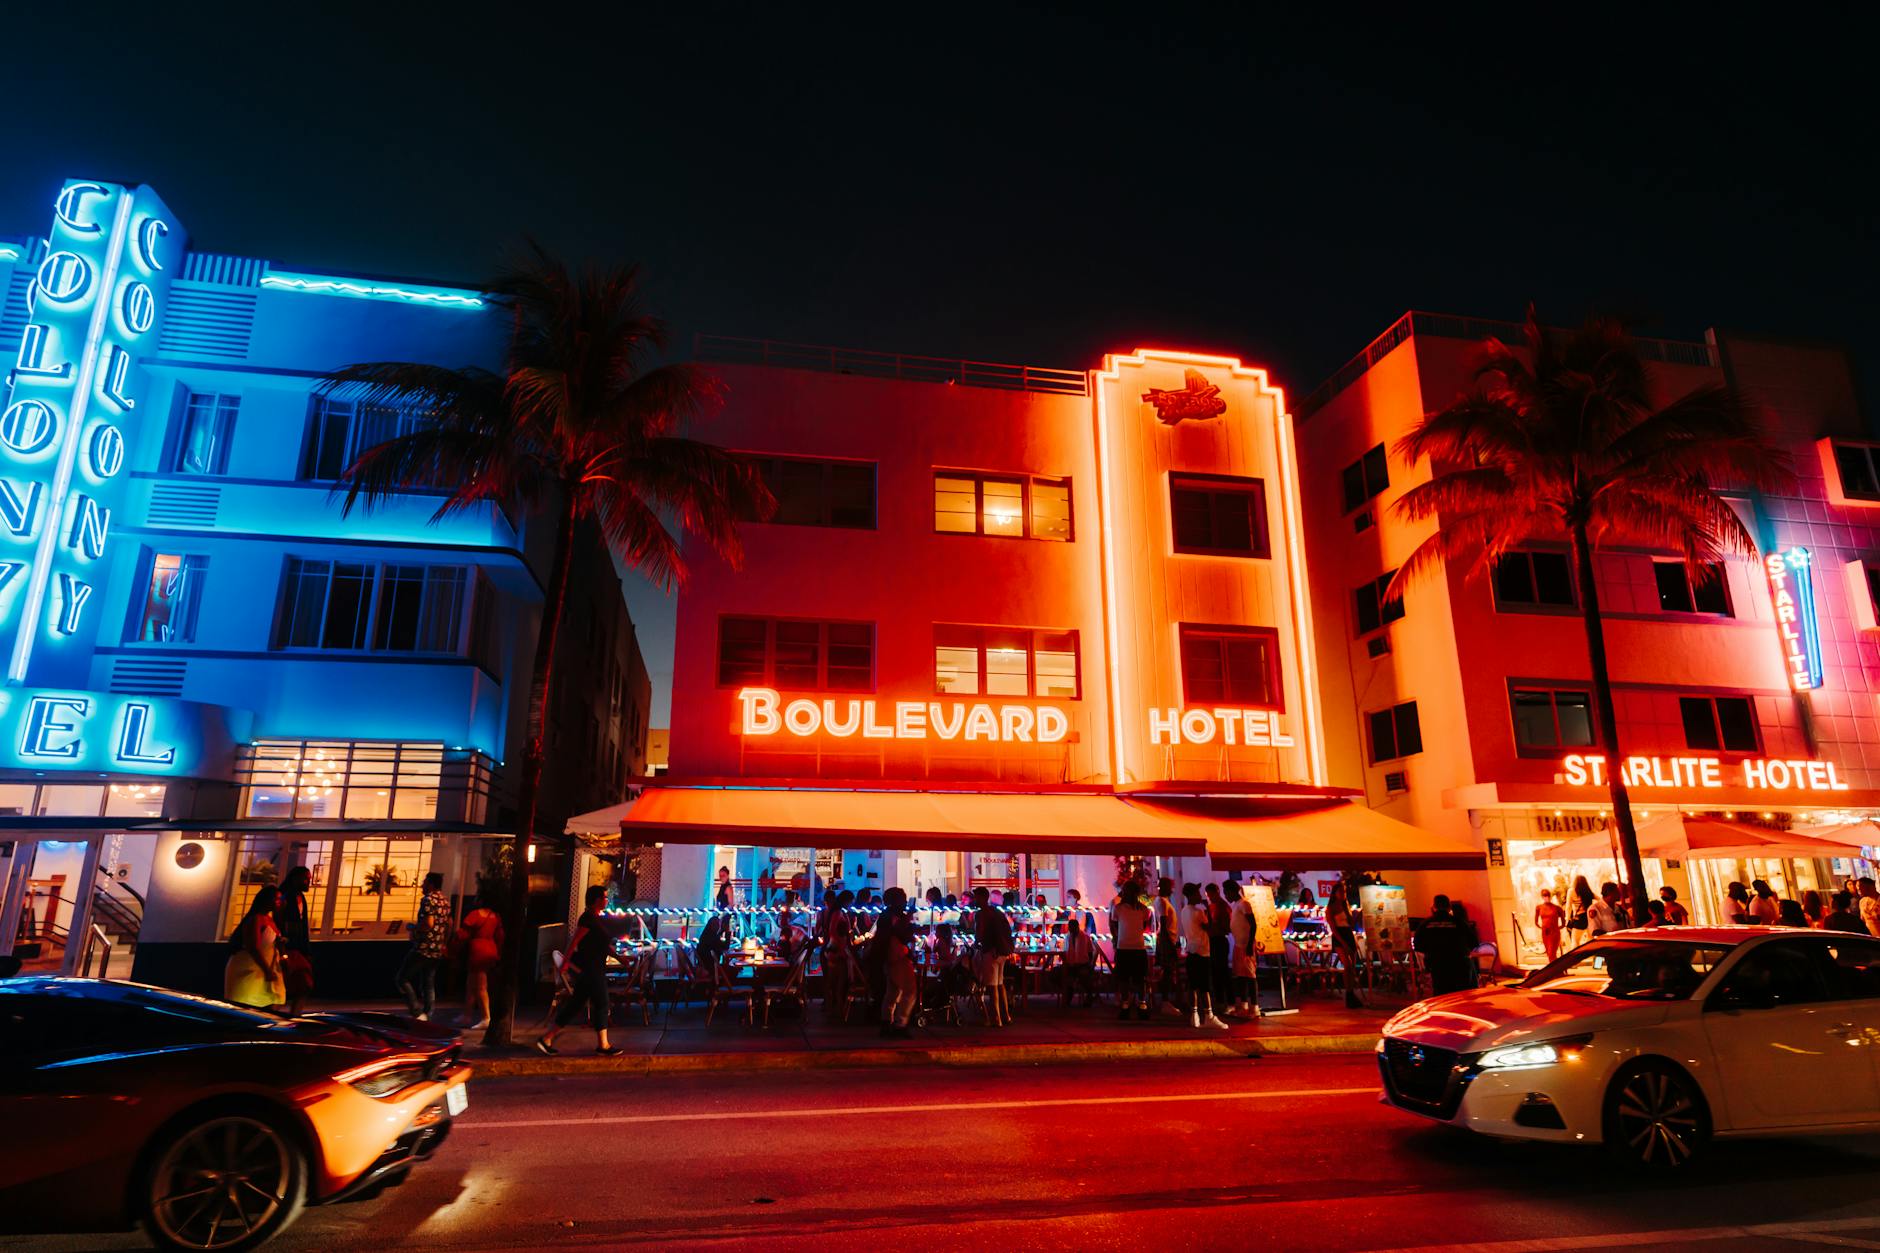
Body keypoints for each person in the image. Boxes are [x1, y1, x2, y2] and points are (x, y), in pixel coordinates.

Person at [538, 885, 620, 1056]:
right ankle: (603, 1045)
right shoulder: (588, 919)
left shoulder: (596, 918)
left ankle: (547, 1038)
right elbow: (575, 941)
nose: (606, 900)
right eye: (604, 897)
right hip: (591, 969)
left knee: (575, 1005)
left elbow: (604, 946)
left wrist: (622, 959)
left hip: (593, 969)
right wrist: (566, 963)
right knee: (602, 1003)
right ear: (597, 900)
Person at [396, 872, 450, 1020]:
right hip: (437, 949)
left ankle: (416, 1011)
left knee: (402, 979)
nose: (422, 884)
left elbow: (428, 924)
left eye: (424, 882)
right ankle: (428, 1013)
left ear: (431, 884)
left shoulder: (428, 900)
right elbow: (449, 924)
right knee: (428, 982)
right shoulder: (445, 901)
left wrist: (412, 927)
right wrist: (444, 943)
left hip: (424, 947)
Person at [867, 886, 918, 1038]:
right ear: (896, 900)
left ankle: (886, 1022)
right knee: (910, 990)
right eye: (902, 898)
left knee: (892, 992)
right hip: (897, 956)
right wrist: (908, 918)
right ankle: (900, 1024)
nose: (904, 902)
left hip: (889, 957)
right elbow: (901, 933)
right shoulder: (894, 916)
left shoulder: (886, 915)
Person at [225, 886, 284, 1009]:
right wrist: (266, 970)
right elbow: (253, 947)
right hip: (252, 968)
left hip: (266, 967)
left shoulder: (269, 919)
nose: (280, 901)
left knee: (272, 1000)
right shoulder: (255, 919)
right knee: (247, 1004)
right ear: (268, 900)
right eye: (277, 899)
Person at [1180, 884, 1228, 1029]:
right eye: (1197, 892)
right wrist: (1207, 909)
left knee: (1193, 985)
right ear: (1192, 895)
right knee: (1205, 987)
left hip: (1191, 950)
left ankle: (1194, 1016)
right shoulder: (1198, 912)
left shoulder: (1184, 911)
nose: (1200, 895)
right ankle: (1209, 1016)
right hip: (1202, 951)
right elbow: (1211, 928)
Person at [458, 889, 504, 1029]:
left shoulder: (474, 915)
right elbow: (500, 936)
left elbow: (463, 934)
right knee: (472, 985)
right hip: (490, 948)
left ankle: (486, 1018)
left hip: (478, 951)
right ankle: (466, 1015)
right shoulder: (495, 916)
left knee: (480, 987)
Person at [973, 885, 1016, 1026]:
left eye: (976, 897)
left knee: (992, 987)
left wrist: (977, 943)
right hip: (1002, 952)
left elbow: (980, 935)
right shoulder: (996, 912)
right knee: (1000, 984)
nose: (974, 900)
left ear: (981, 898)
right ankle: (1006, 1016)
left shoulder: (981, 914)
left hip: (990, 952)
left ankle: (996, 1019)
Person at [274, 865, 314, 1015]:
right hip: (287, 947)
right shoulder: (284, 896)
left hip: (297, 948)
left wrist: (306, 949)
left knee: (302, 986)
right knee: (288, 986)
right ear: (295, 878)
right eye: (305, 879)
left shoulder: (300, 898)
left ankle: (293, 1017)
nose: (307, 882)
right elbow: (279, 921)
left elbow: (303, 926)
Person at [1413, 895, 1472, 995]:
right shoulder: (1460, 922)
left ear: (1434, 907)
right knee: (1460, 994)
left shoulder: (1425, 924)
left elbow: (1417, 945)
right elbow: (1473, 941)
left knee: (1441, 994)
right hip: (1459, 963)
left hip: (1437, 964)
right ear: (1449, 907)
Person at [1112, 879, 1153, 1020]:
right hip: (1130, 947)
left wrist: (1118, 936)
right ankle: (1135, 1006)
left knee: (1134, 978)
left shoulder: (1139, 909)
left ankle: (1133, 1005)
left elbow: (1114, 925)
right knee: (1133, 979)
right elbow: (1146, 926)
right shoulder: (1137, 909)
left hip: (1130, 947)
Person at [1224, 879, 1260, 1019]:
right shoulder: (1236, 905)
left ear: (1233, 891)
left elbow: (1253, 924)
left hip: (1246, 945)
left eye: (1227, 893)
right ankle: (1244, 1005)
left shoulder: (1244, 904)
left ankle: (1254, 1007)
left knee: (1250, 976)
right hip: (1239, 944)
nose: (1226, 896)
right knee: (1241, 976)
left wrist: (1250, 944)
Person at [1325, 880, 1363, 1009]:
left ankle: (1351, 994)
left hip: (1348, 934)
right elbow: (1333, 929)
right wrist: (1343, 943)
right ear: (1334, 893)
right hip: (1339, 936)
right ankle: (1348, 994)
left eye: (1344, 891)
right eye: (1340, 891)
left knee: (1351, 967)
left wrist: (1354, 915)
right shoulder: (1330, 908)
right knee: (1347, 965)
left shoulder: (1345, 905)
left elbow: (1351, 924)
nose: (1343, 894)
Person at [1152, 877, 1181, 1014]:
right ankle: (1165, 1001)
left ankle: (1166, 1001)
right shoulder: (1162, 902)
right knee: (1167, 971)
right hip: (1167, 940)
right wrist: (1169, 944)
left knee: (1168, 971)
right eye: (1170, 886)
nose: (1172, 889)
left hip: (1167, 939)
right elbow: (1163, 924)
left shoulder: (1162, 901)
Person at [1204, 882, 1232, 1010]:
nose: (1209, 897)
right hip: (1213, 940)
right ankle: (1220, 999)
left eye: (1210, 894)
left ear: (1216, 892)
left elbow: (1226, 927)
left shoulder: (1223, 906)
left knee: (1222, 971)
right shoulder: (1211, 906)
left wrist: (1211, 927)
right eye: (1208, 894)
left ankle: (1228, 1000)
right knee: (1215, 972)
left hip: (1220, 940)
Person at [1061, 918, 1098, 1007]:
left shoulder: (1084, 937)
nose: (1070, 930)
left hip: (1082, 964)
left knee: (1084, 976)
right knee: (1063, 975)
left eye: (1072, 928)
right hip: (1071, 965)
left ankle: (1087, 997)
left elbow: (1089, 952)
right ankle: (1069, 997)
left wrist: (1088, 964)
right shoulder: (1068, 937)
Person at [1535, 889, 1565, 961]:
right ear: (1542, 897)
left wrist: (1556, 928)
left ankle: (1554, 970)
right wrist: (1543, 927)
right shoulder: (1539, 907)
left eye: (1548, 895)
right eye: (1544, 896)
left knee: (1552, 953)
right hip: (1545, 933)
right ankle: (1556, 969)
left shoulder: (1557, 908)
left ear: (1550, 896)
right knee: (1549, 953)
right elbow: (1536, 922)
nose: (1546, 897)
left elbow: (1564, 923)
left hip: (1554, 932)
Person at [1568, 876, 1596, 944]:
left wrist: (1568, 918)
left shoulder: (1571, 891)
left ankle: (1579, 954)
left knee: (1575, 941)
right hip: (1590, 918)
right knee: (1590, 939)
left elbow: (1568, 907)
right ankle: (1590, 953)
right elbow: (1600, 900)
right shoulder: (1588, 891)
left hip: (1579, 918)